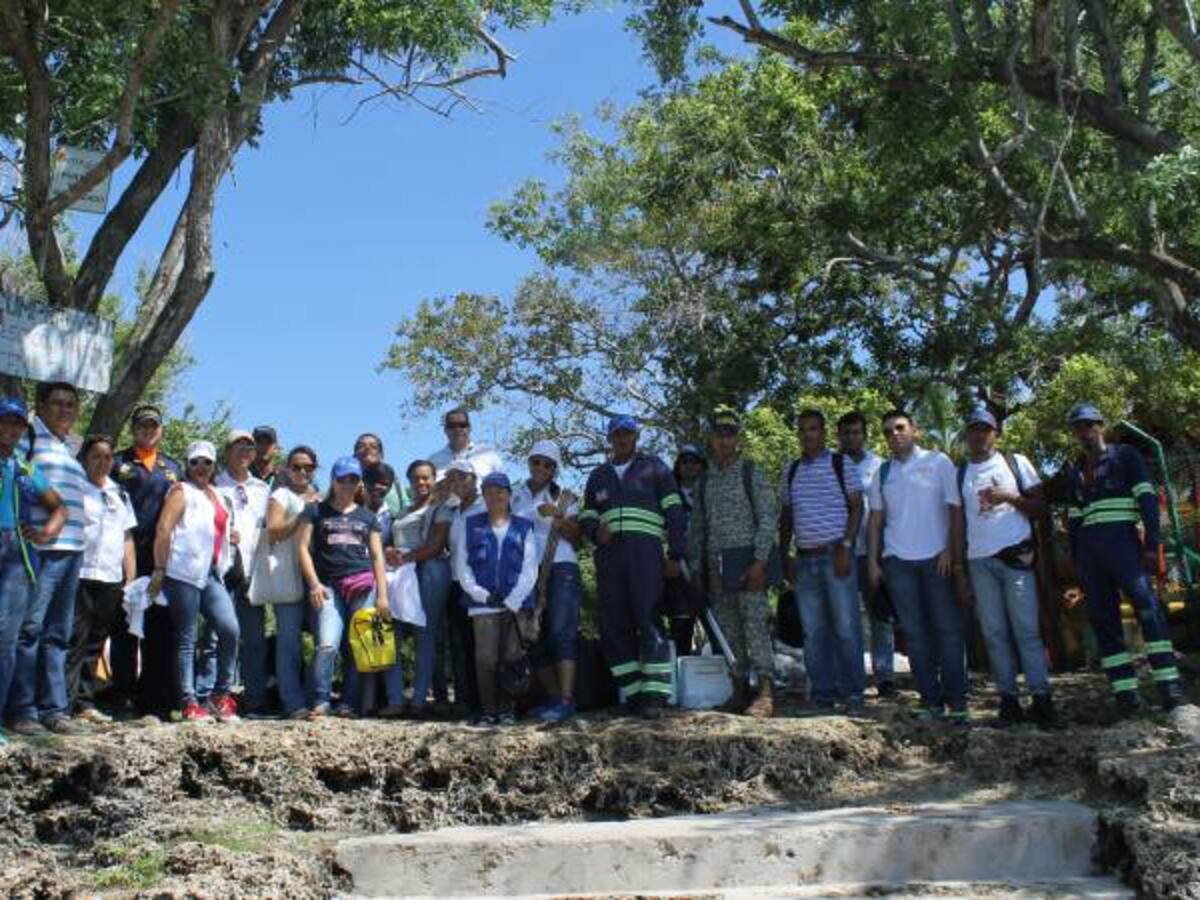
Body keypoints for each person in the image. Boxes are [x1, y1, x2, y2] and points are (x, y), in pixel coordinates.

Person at [1065, 403, 1185, 715]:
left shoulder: (1124, 457)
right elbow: (1075, 520)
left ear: (1100, 426)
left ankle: (1170, 688)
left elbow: (1147, 499)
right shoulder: (1075, 469)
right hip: (1092, 558)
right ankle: (1125, 696)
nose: (1084, 431)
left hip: (1125, 549)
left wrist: (1152, 546)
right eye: (1079, 427)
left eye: (1089, 425)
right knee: (1104, 623)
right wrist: (1078, 564)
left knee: (1148, 610)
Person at [952, 408, 1056, 728]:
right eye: (973, 430)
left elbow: (1041, 508)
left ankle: (1041, 698)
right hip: (980, 562)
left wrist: (1010, 497)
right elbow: (957, 524)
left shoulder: (1015, 463)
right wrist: (959, 570)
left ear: (996, 433)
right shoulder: (959, 473)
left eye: (985, 429)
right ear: (967, 435)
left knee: (1026, 631)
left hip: (1016, 558)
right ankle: (1008, 700)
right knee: (994, 634)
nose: (979, 435)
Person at [578, 415, 685, 718]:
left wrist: (676, 555)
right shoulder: (598, 475)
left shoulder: (655, 468)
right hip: (609, 557)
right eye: (616, 434)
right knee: (613, 624)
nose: (622, 439)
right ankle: (634, 693)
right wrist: (593, 532)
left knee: (649, 617)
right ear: (609, 439)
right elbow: (587, 514)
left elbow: (675, 511)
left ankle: (656, 694)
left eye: (627, 433)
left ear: (636, 437)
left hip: (646, 555)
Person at [867, 410, 968, 723]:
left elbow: (955, 511)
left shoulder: (939, 463)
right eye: (887, 431)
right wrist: (873, 560)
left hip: (937, 560)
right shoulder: (882, 474)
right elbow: (876, 520)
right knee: (915, 634)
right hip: (898, 562)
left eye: (899, 428)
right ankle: (930, 700)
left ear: (915, 430)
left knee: (948, 632)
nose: (894, 435)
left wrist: (951, 553)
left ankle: (958, 701)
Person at [7, 382, 89, 736]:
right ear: (40, 406)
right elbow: (17, 479)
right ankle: (22, 710)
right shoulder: (30, 438)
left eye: (71, 405)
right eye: (57, 403)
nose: (64, 410)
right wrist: (39, 534)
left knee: (58, 633)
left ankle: (54, 710)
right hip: (40, 551)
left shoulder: (70, 446)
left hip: (73, 550)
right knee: (29, 630)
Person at [688, 406, 779, 717]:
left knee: (755, 626)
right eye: (719, 434)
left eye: (730, 434)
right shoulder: (703, 482)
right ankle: (739, 690)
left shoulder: (750, 471)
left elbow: (768, 517)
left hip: (748, 562)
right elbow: (698, 527)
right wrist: (697, 570)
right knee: (728, 631)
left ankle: (766, 691)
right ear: (711, 439)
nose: (724, 440)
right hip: (716, 568)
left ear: (737, 438)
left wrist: (760, 561)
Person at [295, 456, 395, 718]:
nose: (348, 484)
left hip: (363, 585)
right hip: (327, 586)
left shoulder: (368, 516)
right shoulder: (315, 511)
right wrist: (314, 583)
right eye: (342, 479)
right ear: (333, 480)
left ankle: (349, 702)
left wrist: (383, 596)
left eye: (353, 479)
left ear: (359, 483)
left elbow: (377, 556)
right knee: (327, 644)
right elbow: (302, 549)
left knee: (359, 645)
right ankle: (320, 699)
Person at [779, 409, 865, 712]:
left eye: (813, 429)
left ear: (823, 432)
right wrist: (784, 554)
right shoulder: (791, 470)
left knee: (846, 626)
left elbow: (857, 507)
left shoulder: (841, 464)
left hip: (836, 555)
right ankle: (822, 694)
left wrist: (846, 544)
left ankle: (854, 693)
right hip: (804, 560)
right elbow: (787, 515)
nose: (807, 435)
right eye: (801, 430)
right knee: (813, 632)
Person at [150, 440, 241, 722]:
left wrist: (231, 538)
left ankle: (219, 695)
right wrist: (159, 569)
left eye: (207, 463)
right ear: (187, 466)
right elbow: (164, 529)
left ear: (214, 466)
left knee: (230, 630)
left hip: (212, 572)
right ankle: (189, 701)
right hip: (183, 571)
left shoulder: (219, 495)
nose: (201, 467)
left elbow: (222, 530)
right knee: (187, 638)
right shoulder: (181, 491)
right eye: (195, 462)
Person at [0, 398, 65, 744]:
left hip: (16, 555)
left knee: (7, 638)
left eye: (17, 425)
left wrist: (44, 533)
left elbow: (59, 507)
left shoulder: (25, 469)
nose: (10, 430)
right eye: (5, 423)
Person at [452, 472, 539, 726]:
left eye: (500, 491)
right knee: (486, 659)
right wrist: (480, 594)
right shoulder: (472, 524)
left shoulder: (524, 526)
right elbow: (462, 566)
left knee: (511, 657)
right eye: (489, 491)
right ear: (484, 495)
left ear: (509, 495)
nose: (495, 496)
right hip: (482, 604)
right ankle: (490, 710)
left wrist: (513, 599)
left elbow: (530, 567)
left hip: (517, 603)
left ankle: (508, 710)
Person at [112, 405, 182, 720]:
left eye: (154, 426)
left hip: (161, 558)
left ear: (161, 430)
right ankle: (123, 695)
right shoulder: (116, 461)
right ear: (133, 428)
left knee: (159, 628)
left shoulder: (174, 468)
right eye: (142, 425)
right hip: (124, 553)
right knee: (124, 626)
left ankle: (155, 698)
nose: (148, 430)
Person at [67, 434, 137, 724]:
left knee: (96, 641)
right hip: (81, 572)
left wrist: (130, 577)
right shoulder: (75, 488)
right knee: (74, 639)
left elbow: (127, 537)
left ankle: (84, 702)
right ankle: (62, 702)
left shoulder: (119, 493)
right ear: (85, 458)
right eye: (96, 456)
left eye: (107, 457)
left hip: (110, 576)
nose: (102, 462)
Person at [512, 440, 582, 723]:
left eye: (548, 464)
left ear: (555, 469)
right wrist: (533, 514)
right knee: (534, 636)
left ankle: (566, 699)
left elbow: (577, 538)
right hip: (524, 569)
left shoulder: (566, 497)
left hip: (561, 566)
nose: (541, 468)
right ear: (529, 463)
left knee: (561, 631)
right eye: (536, 462)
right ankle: (552, 698)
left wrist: (560, 518)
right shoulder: (513, 493)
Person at [388, 459, 454, 718]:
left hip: (428, 570)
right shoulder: (403, 510)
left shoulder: (442, 508)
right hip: (401, 574)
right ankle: (395, 698)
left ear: (434, 479)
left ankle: (417, 701)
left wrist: (405, 557)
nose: (421, 483)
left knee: (424, 634)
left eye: (426, 477)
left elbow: (437, 544)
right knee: (391, 633)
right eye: (416, 478)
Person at [837, 411, 895, 698]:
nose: (851, 437)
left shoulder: (879, 466)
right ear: (839, 436)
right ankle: (852, 679)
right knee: (847, 619)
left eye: (856, 432)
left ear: (865, 435)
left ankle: (885, 677)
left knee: (880, 615)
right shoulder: (831, 465)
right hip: (842, 553)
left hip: (874, 551)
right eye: (846, 433)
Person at [215, 430, 272, 717]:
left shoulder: (262, 489)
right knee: (217, 634)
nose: (245, 451)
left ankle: (255, 699)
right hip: (221, 570)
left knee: (254, 638)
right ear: (227, 451)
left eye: (249, 447)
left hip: (253, 570)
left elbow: (269, 529)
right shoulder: (214, 485)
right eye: (238, 446)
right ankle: (213, 696)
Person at [263, 446, 320, 718]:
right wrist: (301, 516)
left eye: (308, 467)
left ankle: (314, 698)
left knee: (325, 641)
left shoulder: (321, 497)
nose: (302, 471)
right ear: (286, 469)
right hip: (288, 575)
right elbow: (272, 532)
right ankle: (293, 702)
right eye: (296, 466)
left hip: (319, 578)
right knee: (289, 642)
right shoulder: (280, 495)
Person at [443, 459, 484, 716]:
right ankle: (468, 702)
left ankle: (487, 702)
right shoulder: (454, 511)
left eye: (463, 477)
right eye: (453, 479)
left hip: (479, 585)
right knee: (462, 645)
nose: (458, 483)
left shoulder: (486, 506)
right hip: (456, 584)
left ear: (474, 479)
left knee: (484, 647)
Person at [667, 444, 707, 656]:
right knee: (681, 623)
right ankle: (679, 674)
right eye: (685, 461)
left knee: (717, 623)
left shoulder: (711, 492)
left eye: (695, 461)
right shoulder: (667, 496)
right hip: (679, 567)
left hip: (709, 566)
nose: (690, 465)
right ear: (678, 466)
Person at [428, 408, 502, 482]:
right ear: (445, 430)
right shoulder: (433, 461)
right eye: (452, 426)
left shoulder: (488, 455)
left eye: (462, 425)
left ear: (469, 428)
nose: (457, 429)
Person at [355, 434, 408, 517]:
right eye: (361, 446)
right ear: (355, 455)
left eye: (373, 446)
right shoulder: (346, 483)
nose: (367, 448)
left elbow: (405, 510)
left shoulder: (395, 485)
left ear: (381, 455)